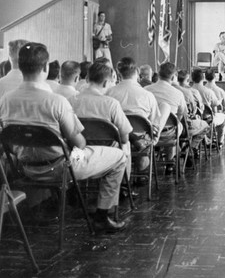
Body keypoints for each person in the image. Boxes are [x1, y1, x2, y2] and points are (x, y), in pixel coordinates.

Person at [0, 43, 127, 233]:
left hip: (25, 168)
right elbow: (79, 143)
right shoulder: (56, 102)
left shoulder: (5, 100)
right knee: (118, 157)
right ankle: (102, 216)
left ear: (19, 65)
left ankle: (72, 194)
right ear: (44, 68)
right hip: (62, 167)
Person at [68, 61, 133, 189]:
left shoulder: (70, 101)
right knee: (127, 144)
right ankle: (125, 186)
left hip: (78, 153)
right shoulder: (111, 103)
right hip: (107, 151)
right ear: (105, 83)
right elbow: (124, 138)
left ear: (86, 78)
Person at [107, 57, 169, 175]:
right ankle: (141, 172)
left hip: (116, 139)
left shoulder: (109, 93)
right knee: (148, 130)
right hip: (141, 140)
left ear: (118, 73)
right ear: (136, 72)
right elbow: (154, 122)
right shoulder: (147, 95)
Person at [191, 68, 225, 148]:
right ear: (202, 78)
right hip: (207, 120)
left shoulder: (188, 91)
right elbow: (218, 106)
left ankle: (205, 139)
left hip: (193, 119)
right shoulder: (209, 92)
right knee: (224, 118)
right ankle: (219, 142)